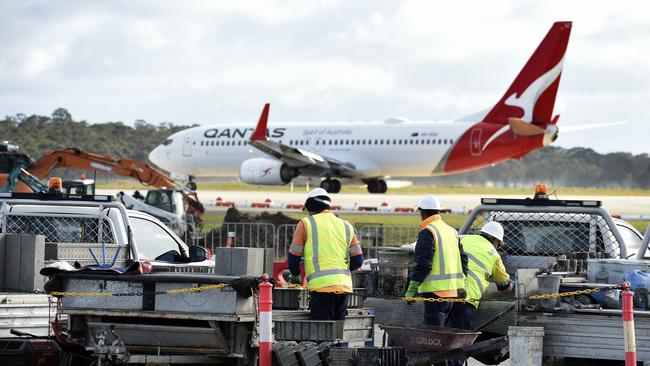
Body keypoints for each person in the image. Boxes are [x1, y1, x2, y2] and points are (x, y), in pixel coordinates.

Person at [287, 188, 364, 320]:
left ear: (310, 206)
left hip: (321, 288)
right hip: (344, 288)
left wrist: (295, 277)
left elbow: (294, 259)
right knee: (337, 335)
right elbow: (358, 260)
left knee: (322, 335)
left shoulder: (306, 224)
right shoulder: (346, 225)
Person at [405, 195, 468, 326]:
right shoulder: (451, 231)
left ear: (422, 212)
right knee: (443, 333)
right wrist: (462, 285)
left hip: (435, 293)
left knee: (433, 335)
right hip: (452, 292)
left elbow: (423, 263)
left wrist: (413, 287)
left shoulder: (428, 231)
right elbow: (463, 260)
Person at [449, 221, 513, 331]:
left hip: (444, 291)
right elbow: (504, 286)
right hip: (466, 298)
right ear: (495, 240)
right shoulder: (493, 254)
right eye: (498, 244)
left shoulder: (463, 238)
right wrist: (513, 285)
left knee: (438, 330)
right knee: (460, 333)